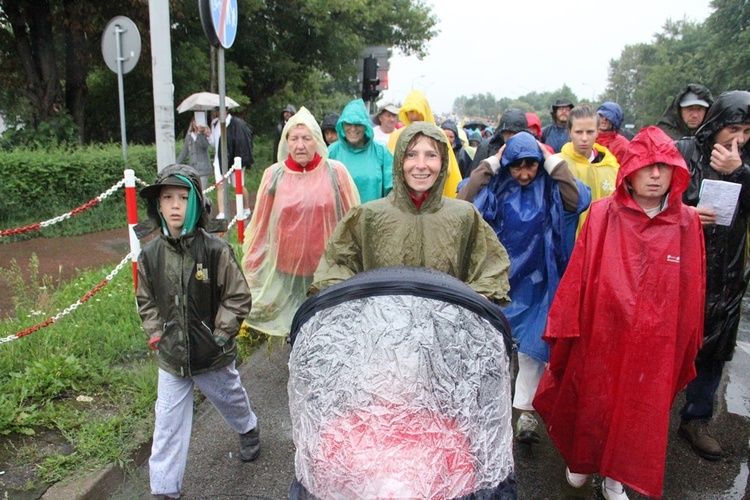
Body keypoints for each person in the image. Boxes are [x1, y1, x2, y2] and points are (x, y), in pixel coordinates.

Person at [533, 126, 705, 500]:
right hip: (602, 330)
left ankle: (615, 475)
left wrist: (684, 342)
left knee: (638, 411)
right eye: (647, 166)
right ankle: (582, 460)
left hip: (654, 341)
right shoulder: (601, 214)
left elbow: (693, 290)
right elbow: (579, 274)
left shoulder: (687, 223)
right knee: (593, 399)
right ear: (630, 169)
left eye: (664, 166)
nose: (656, 175)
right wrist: (565, 327)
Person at [135, 164, 261, 499]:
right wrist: (155, 331)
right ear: (158, 206)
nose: (175, 205)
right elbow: (145, 299)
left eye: (183, 197)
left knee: (230, 399)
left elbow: (237, 296)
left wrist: (220, 334)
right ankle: (164, 489)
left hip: (212, 353)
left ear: (196, 204)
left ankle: (248, 427)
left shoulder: (215, 250)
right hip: (172, 356)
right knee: (167, 423)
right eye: (167, 198)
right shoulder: (150, 254)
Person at [457, 131, 590, 446]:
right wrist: (489, 165)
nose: (525, 173)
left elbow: (578, 200)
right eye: (517, 166)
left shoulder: (550, 188)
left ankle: (525, 414)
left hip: (540, 280)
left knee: (531, 352)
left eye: (531, 165)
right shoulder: (496, 186)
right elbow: (462, 203)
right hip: (500, 279)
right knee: (496, 350)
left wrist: (553, 162)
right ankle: (493, 411)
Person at [310, 121, 510, 303]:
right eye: (411, 154)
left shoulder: (464, 215)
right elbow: (336, 266)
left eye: (431, 155)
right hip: (381, 333)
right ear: (399, 162)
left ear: (442, 163)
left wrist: (478, 296)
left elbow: (491, 265)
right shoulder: (368, 216)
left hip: (445, 334)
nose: (421, 165)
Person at [676, 90, 750, 461]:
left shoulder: (746, 161)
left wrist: (739, 173)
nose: (738, 139)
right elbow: (654, 195)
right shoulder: (685, 151)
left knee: (716, 348)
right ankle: (649, 411)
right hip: (681, 265)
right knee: (669, 341)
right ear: (717, 124)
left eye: (747, 131)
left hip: (729, 271)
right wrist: (688, 212)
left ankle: (696, 418)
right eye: (732, 128)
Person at [241, 107, 360, 337]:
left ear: (317, 140)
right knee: (296, 326)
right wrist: (253, 268)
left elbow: (352, 221)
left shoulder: (336, 173)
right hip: (288, 272)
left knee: (327, 328)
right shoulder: (274, 175)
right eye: (294, 139)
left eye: (306, 138)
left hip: (329, 268)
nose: (300, 145)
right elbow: (261, 227)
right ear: (286, 142)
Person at [386, 90, 463, 197]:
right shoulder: (397, 136)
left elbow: (448, 171)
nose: (413, 116)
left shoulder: (438, 135)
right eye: (410, 111)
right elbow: (389, 171)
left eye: (418, 111)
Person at [558, 104, 620, 233]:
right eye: (579, 132)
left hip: (601, 241)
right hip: (568, 242)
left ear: (598, 131)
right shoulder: (559, 166)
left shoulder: (611, 167)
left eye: (590, 132)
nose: (584, 138)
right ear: (569, 131)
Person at [328, 99, 393, 203]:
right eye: (348, 124)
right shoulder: (332, 152)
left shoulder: (381, 152)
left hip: (374, 217)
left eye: (358, 124)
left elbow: (393, 190)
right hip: (342, 219)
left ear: (365, 126)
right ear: (342, 126)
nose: (353, 129)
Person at [211, 110, 255, 220]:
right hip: (219, 159)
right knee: (220, 186)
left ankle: (246, 208)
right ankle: (222, 213)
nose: (218, 112)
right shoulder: (214, 124)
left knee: (238, 186)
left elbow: (241, 142)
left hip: (234, 160)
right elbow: (214, 143)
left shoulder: (236, 123)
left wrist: (239, 161)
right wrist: (208, 135)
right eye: (216, 110)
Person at [469, 108, 528, 172]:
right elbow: (472, 178)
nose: (511, 136)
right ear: (501, 132)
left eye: (516, 133)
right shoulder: (486, 148)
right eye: (508, 132)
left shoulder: (529, 149)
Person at [176, 116, 212, 190]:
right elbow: (184, 152)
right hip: (193, 168)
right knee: (195, 190)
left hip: (203, 168)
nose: (196, 124)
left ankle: (204, 201)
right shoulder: (189, 136)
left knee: (202, 191)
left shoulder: (205, 134)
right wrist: (176, 165)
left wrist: (200, 133)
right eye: (194, 121)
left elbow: (205, 145)